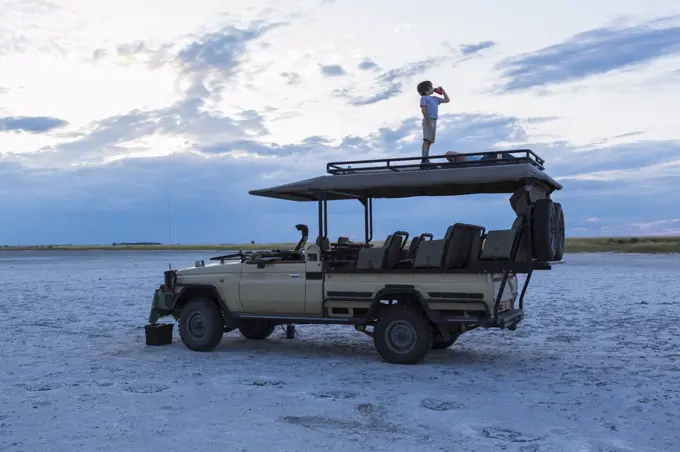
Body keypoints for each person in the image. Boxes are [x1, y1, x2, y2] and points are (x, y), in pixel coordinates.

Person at [417, 80, 449, 165]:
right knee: (426, 140)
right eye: (431, 87)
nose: (433, 88)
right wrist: (427, 121)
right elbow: (423, 110)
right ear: (426, 89)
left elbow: (447, 100)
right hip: (428, 119)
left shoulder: (435, 99)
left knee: (430, 141)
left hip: (434, 120)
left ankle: (426, 159)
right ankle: (424, 160)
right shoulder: (424, 98)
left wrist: (442, 90)